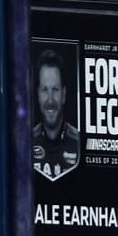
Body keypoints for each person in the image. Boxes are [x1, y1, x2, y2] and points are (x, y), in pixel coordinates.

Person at [32, 48, 81, 181]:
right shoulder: (26, 143)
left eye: (55, 90)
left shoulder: (80, 144)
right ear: (37, 94)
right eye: (44, 90)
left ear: (64, 94)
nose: (50, 99)